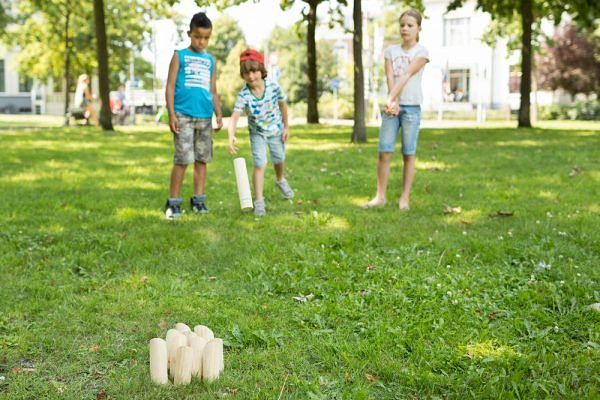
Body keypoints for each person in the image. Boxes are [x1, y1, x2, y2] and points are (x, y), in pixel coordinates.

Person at [364, 9, 429, 210]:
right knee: (384, 151)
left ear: (418, 28)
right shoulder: (390, 52)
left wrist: (391, 98)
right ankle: (380, 196)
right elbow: (390, 77)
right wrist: (392, 103)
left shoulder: (422, 53)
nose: (405, 28)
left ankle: (404, 198)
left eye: (410, 25)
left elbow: (407, 75)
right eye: (402, 25)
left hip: (411, 108)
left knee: (408, 153)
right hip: (391, 109)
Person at [164, 12, 223, 219]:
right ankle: (174, 203)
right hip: (183, 115)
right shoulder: (179, 55)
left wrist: (218, 114)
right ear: (190, 34)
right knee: (182, 159)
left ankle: (199, 200)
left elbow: (213, 90)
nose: (202, 41)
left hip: (204, 117)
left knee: (201, 159)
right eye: (198, 36)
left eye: (206, 37)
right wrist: (171, 114)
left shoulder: (210, 60)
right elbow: (170, 87)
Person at [227, 48, 293, 217]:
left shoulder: (273, 86)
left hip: (276, 130)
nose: (251, 76)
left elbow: (283, 106)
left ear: (261, 70)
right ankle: (259, 201)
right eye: (247, 72)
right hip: (258, 134)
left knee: (279, 159)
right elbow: (235, 116)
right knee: (260, 163)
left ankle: (280, 180)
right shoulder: (244, 95)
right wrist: (230, 135)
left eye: (254, 71)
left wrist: (286, 127)